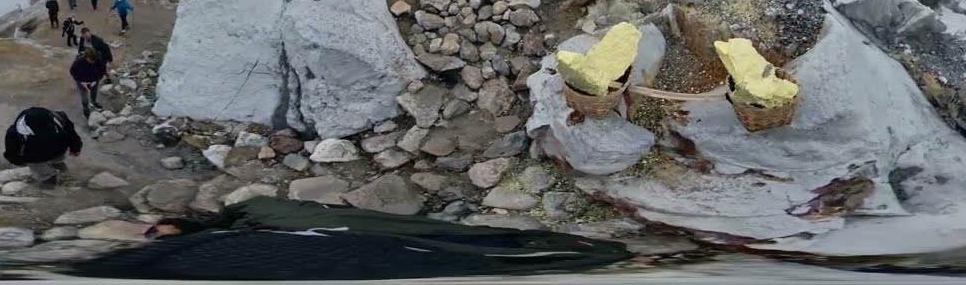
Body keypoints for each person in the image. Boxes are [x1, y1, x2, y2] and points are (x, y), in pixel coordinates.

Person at [66, 196, 630, 281]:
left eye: (156, 231)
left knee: (462, 242)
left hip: (350, 238)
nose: (154, 236)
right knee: (450, 256)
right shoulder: (236, 227)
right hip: (348, 250)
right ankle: (574, 256)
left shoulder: (247, 210)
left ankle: (578, 249)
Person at [3, 106, 82, 190]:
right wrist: (17, 161)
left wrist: (75, 148)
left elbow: (71, 134)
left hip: (58, 150)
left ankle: (60, 174)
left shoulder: (59, 118)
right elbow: (11, 150)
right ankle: (49, 182)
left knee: (56, 160)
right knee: (42, 169)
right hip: (36, 157)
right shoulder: (15, 133)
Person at [71, 46, 107, 117]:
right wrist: (80, 81)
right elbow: (72, 71)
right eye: (91, 60)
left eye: (94, 60)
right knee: (84, 99)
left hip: (94, 81)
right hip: (82, 83)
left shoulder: (98, 59)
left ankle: (93, 103)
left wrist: (98, 78)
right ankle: (86, 109)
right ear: (86, 57)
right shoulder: (78, 62)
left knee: (94, 92)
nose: (93, 62)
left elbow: (102, 69)